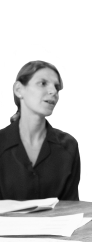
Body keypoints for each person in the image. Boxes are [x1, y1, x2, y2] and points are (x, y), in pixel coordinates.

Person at [0, 60, 81, 200]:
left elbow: (72, 208)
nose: (53, 91)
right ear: (19, 89)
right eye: (42, 83)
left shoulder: (69, 147)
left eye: (56, 87)